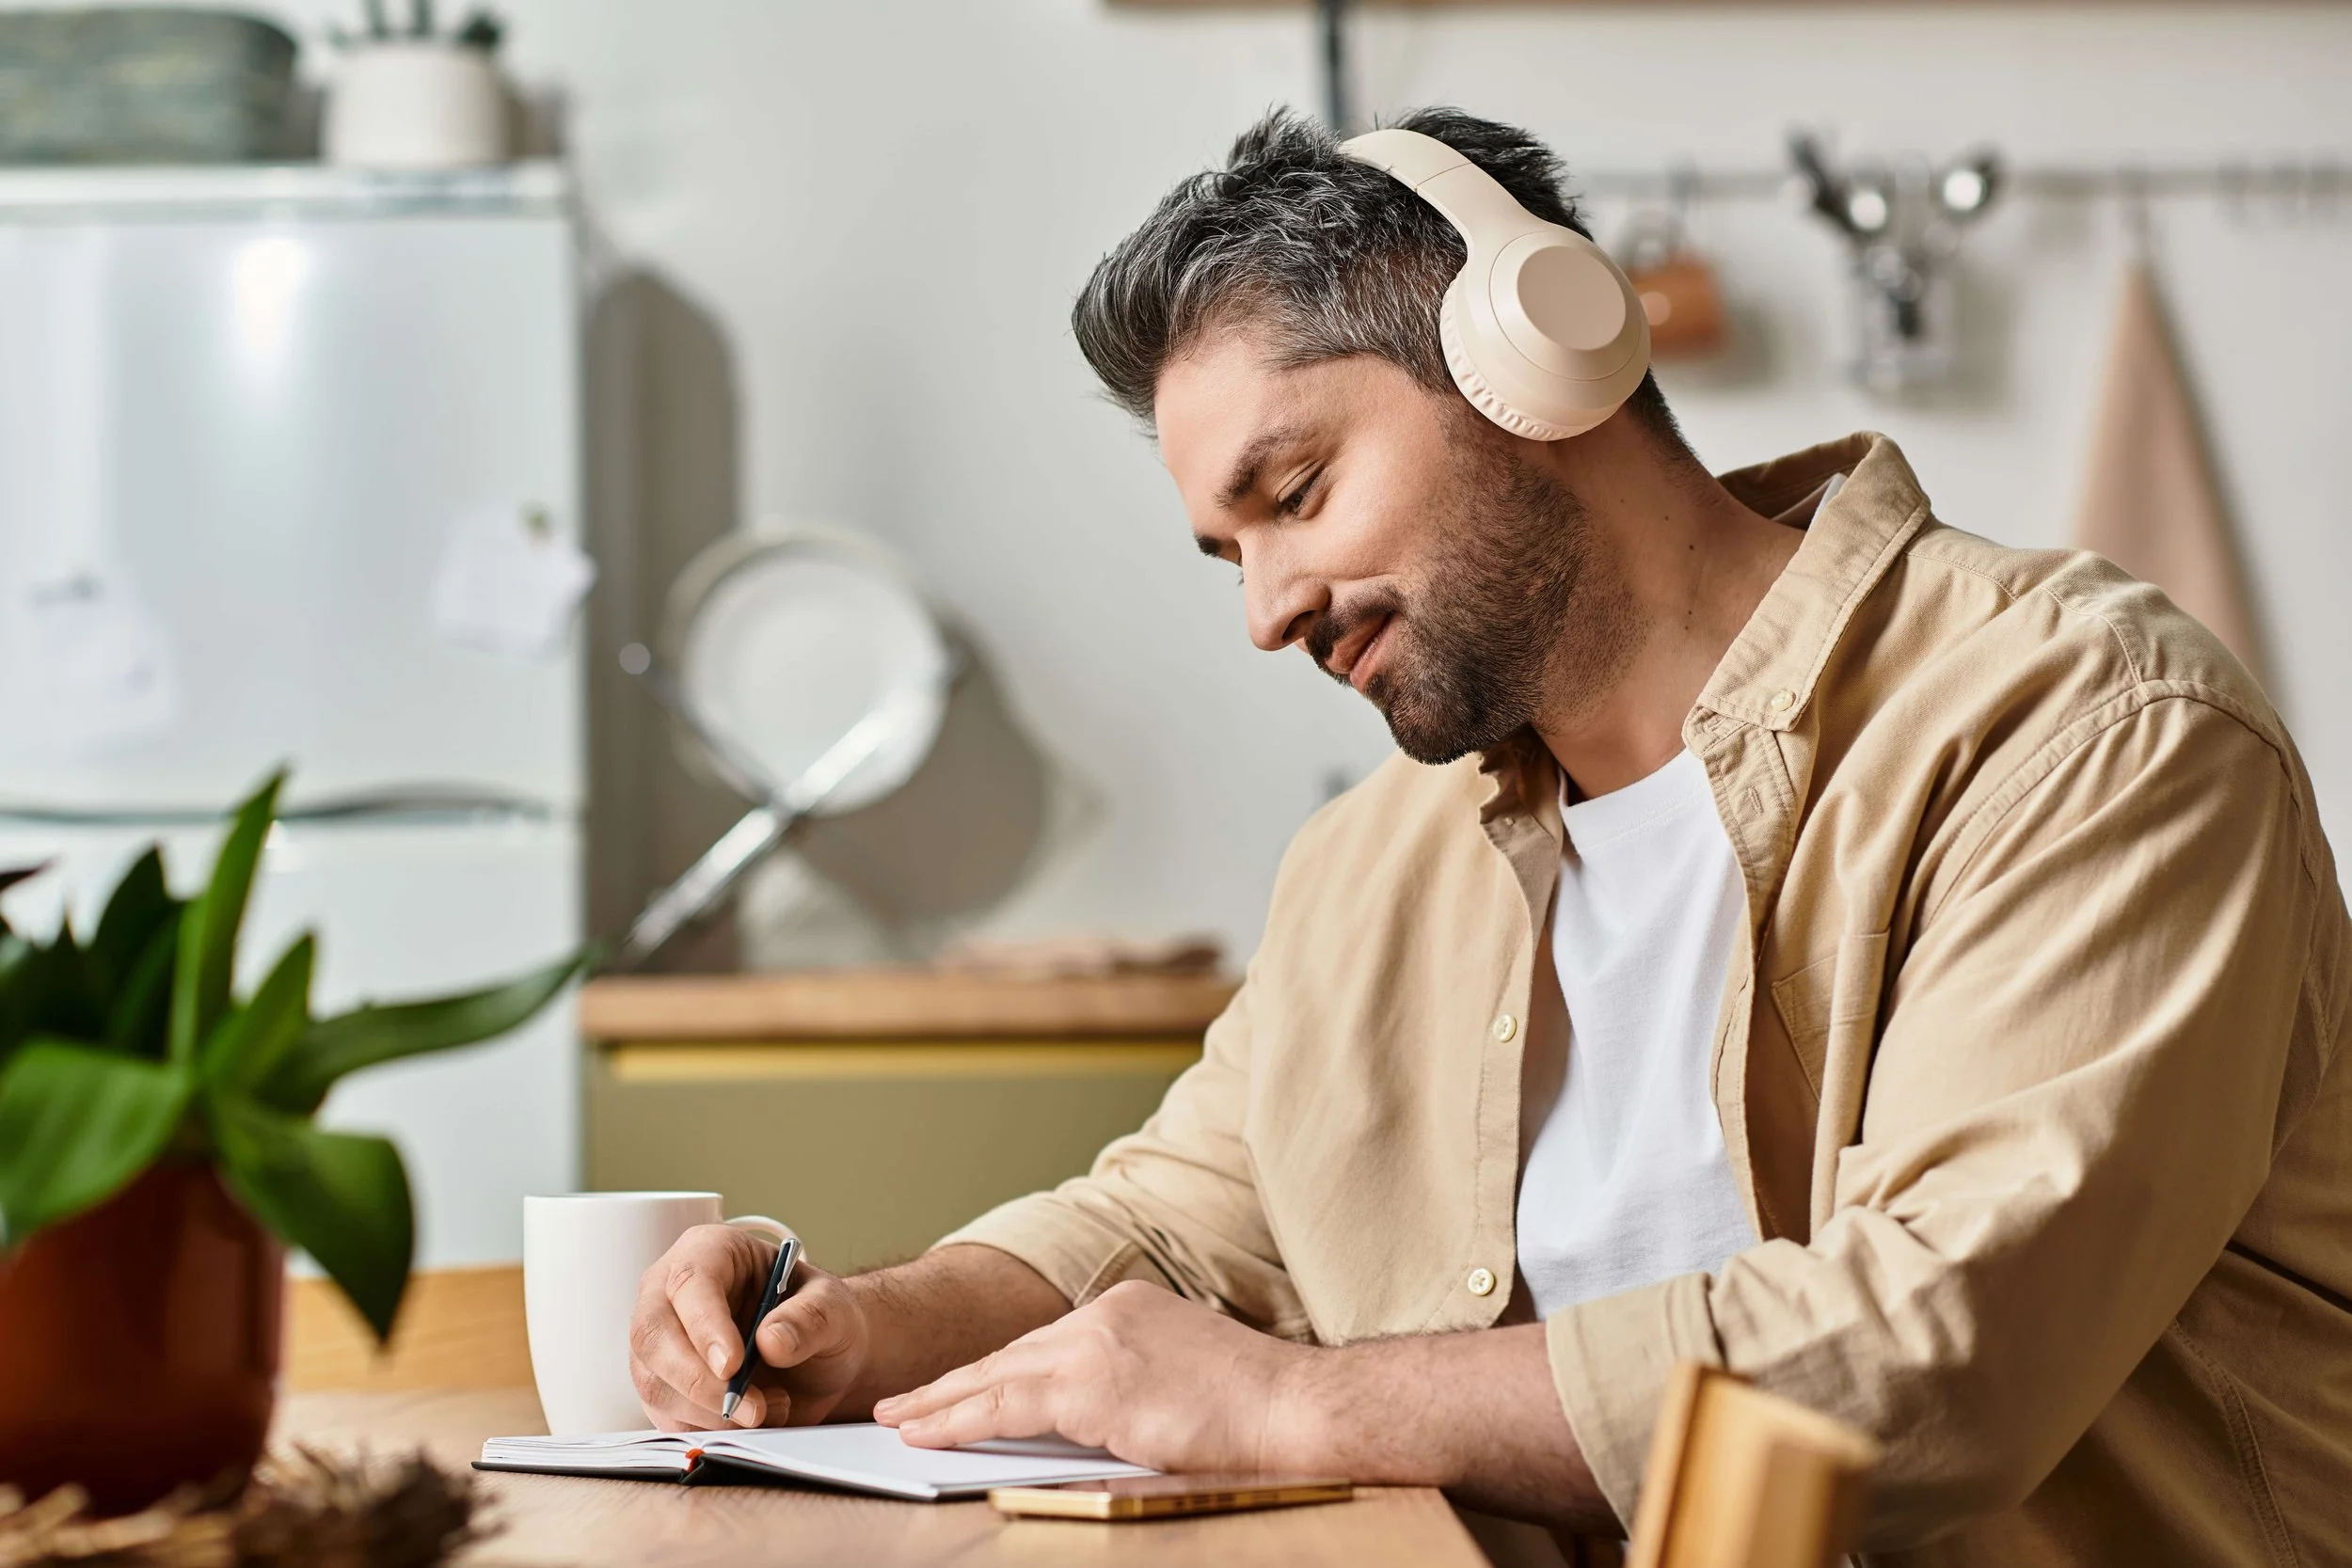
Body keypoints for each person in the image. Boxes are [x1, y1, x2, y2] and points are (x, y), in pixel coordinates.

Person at [627, 107, 2352, 1563]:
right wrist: (855, 1322)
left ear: (1544, 351)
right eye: (1229, 553)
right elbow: (1176, 1220)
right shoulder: (1379, 859)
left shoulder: (2086, 732)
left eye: (1293, 495)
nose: (1268, 609)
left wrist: (1294, 1402)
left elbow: (1932, 1358)